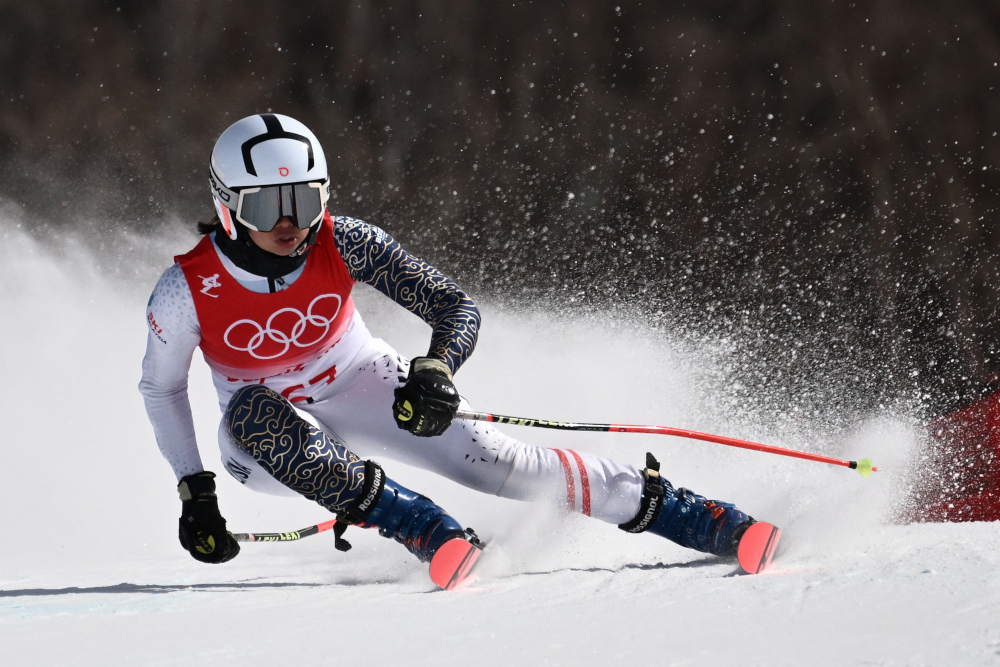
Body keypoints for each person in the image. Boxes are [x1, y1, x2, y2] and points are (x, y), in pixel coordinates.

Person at [139, 113, 761, 576]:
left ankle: (702, 519)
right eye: (265, 204)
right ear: (226, 207)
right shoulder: (185, 290)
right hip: (262, 443)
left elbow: (453, 306)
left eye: (302, 200)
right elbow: (161, 387)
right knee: (256, 414)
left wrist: (437, 368)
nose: (287, 223)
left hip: (360, 383)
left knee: (507, 466)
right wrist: (195, 491)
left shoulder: (344, 239)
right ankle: (425, 529)